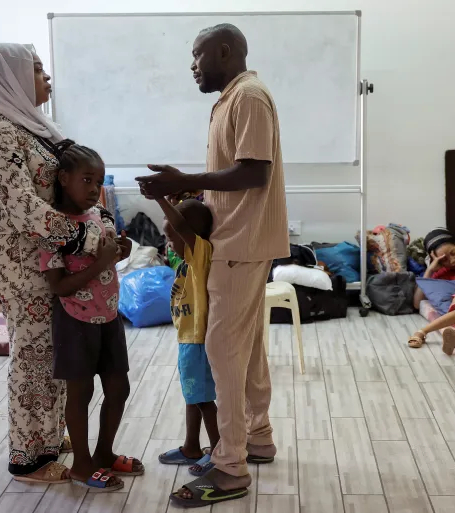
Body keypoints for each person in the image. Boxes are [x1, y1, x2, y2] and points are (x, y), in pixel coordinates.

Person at [136, 23, 289, 508]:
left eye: (199, 56)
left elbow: (254, 170)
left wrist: (190, 179)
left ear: (225, 52)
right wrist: (193, 189)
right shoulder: (232, 98)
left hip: (240, 244)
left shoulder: (249, 98)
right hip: (238, 240)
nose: (193, 66)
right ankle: (258, 439)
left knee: (223, 354)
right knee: (246, 350)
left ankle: (230, 468)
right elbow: (236, 175)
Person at [0, 43, 132, 483]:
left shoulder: (37, 127)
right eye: (37, 70)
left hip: (54, 260)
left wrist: (98, 223)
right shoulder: (1, 130)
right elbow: (23, 208)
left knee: (55, 358)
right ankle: (28, 459)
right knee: (33, 360)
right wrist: (85, 235)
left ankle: (47, 435)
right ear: (11, 78)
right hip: (24, 266)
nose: (47, 78)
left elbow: (77, 186)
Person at [39, 140, 143, 491]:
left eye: (98, 182)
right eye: (87, 180)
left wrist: (121, 250)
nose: (94, 189)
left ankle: (103, 453)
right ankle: (82, 465)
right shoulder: (54, 227)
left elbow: (113, 252)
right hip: (74, 322)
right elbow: (59, 286)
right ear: (64, 178)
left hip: (109, 317)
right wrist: (101, 262)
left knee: (119, 388)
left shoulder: (100, 216)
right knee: (80, 394)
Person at [155, 198, 220, 478]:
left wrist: (160, 198)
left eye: (172, 238)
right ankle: (191, 446)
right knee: (193, 396)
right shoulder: (184, 261)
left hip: (197, 340)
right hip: (187, 339)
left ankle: (218, 452)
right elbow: (179, 227)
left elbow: (182, 226)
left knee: (203, 399)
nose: (169, 245)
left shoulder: (199, 253)